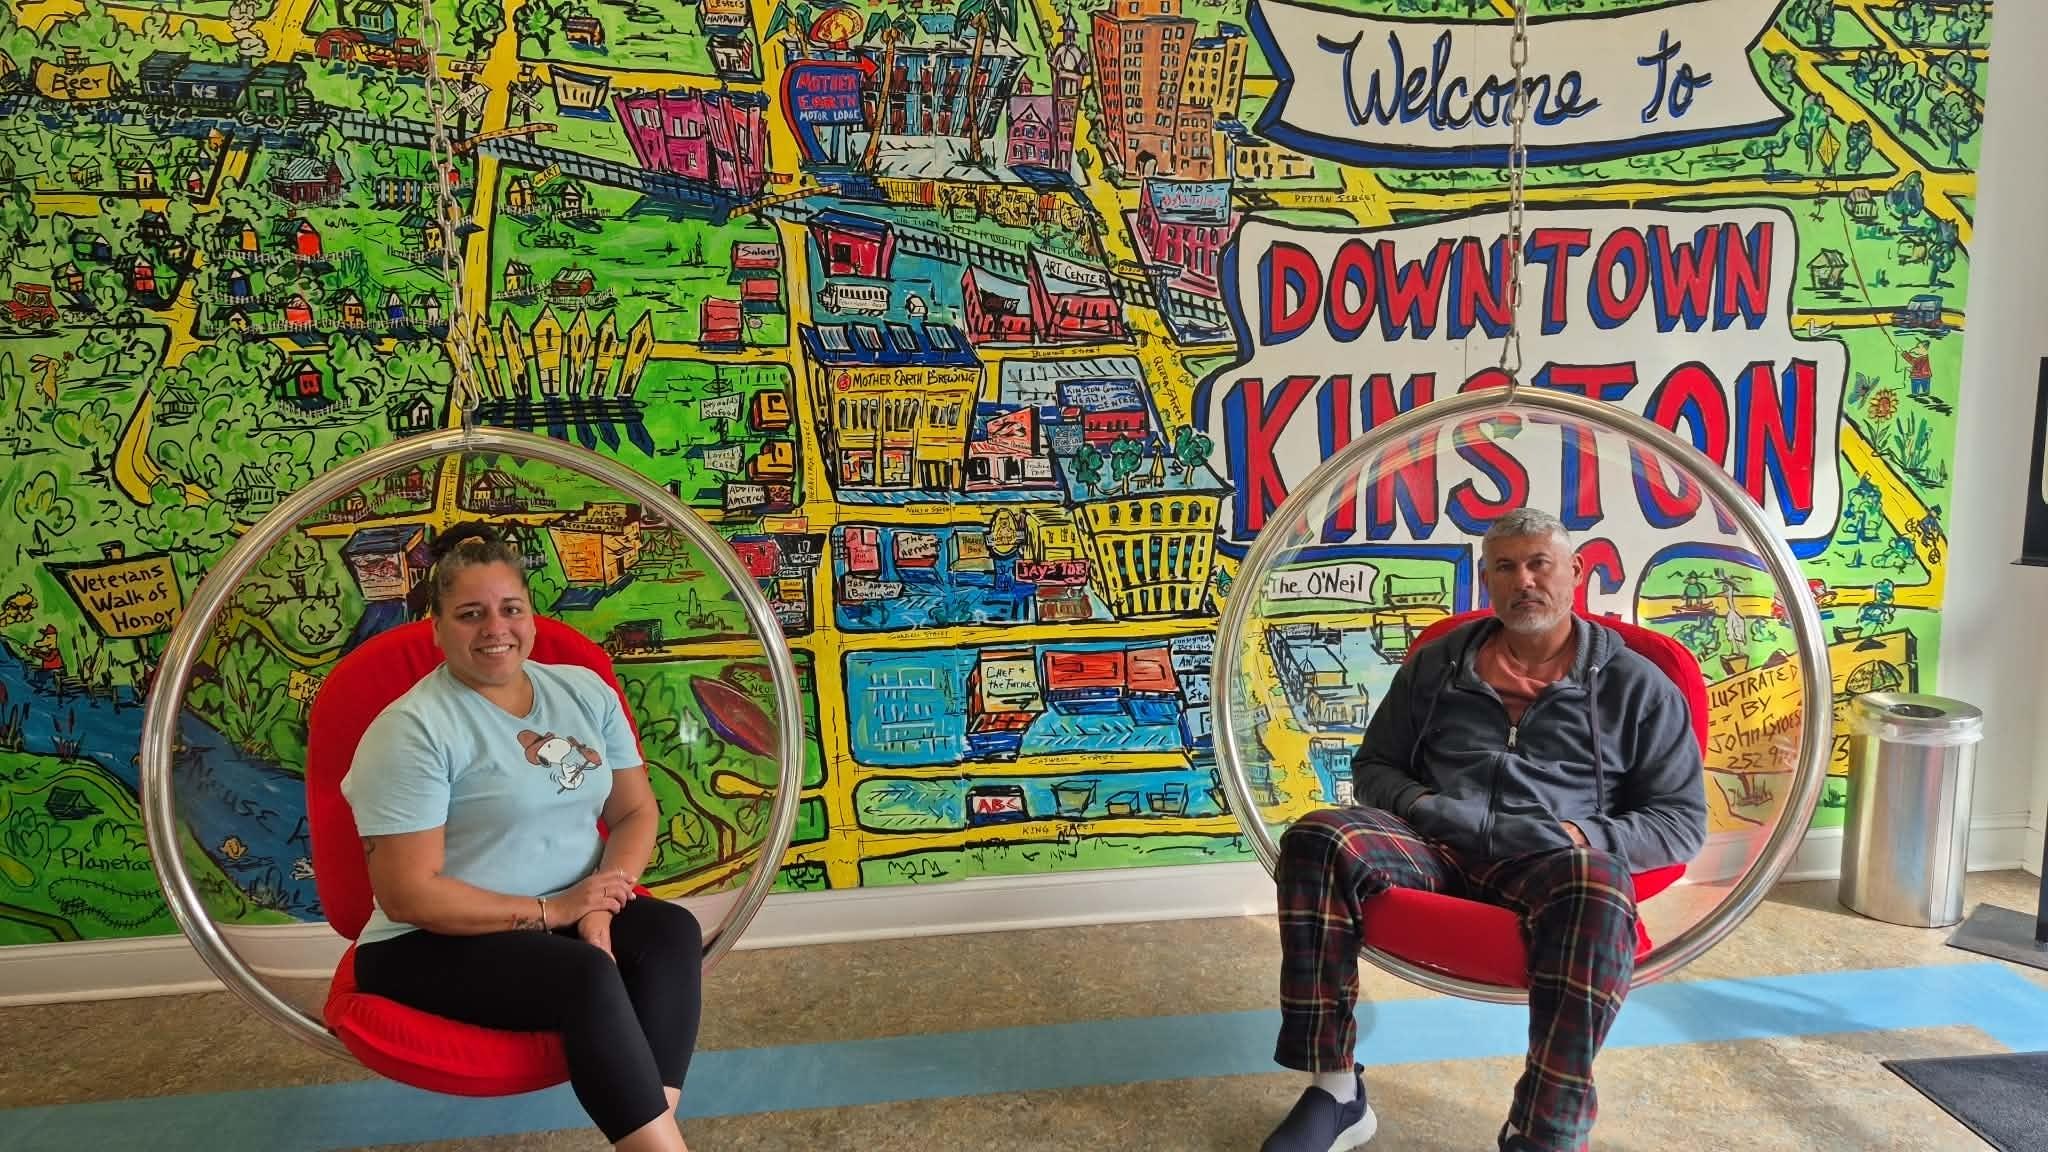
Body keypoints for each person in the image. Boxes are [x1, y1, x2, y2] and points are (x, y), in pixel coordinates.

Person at [1262, 508, 1707, 1152]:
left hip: (1548, 859)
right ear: (1487, 580)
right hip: (1434, 842)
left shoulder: (1639, 685)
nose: (1524, 580)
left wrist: (1577, 836)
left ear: (1575, 572)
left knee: (1599, 885)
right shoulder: (1438, 664)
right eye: (1505, 567)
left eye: (1539, 563)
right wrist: (1422, 804)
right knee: (1317, 837)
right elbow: (1375, 766)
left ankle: (1542, 1130)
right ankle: (1336, 1091)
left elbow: (1679, 822)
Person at [343, 523, 703, 1152]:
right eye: (470, 614)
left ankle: (655, 1135)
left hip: (564, 914)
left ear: (532, 617)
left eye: (511, 609)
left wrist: (600, 903)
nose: (495, 628)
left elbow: (634, 811)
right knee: (585, 976)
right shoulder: (412, 729)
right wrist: (552, 911)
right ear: (435, 627)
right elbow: (408, 896)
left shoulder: (584, 692)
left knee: (671, 932)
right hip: (426, 942)